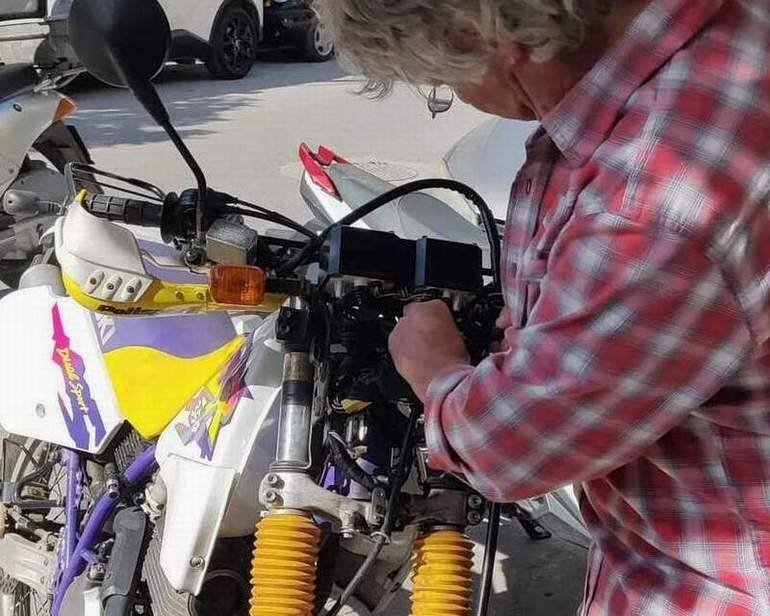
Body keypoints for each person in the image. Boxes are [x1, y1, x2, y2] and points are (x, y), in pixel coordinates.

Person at [318, 0, 770, 613]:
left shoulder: (654, 197)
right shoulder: (730, 36)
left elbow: (510, 449)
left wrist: (435, 369)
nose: (456, 93)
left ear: (478, 31)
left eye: (444, 78)